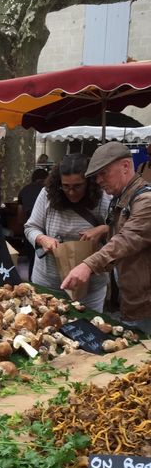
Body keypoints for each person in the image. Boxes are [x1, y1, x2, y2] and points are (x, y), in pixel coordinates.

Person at [61, 141, 151, 333]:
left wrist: (88, 265)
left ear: (126, 166)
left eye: (104, 173)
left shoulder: (146, 201)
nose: (99, 180)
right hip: (130, 300)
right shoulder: (120, 199)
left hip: (145, 305)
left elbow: (126, 240)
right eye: (96, 175)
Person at [25, 153, 110, 311]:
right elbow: (30, 227)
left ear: (89, 183)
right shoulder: (47, 194)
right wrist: (42, 239)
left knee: (88, 329)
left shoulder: (103, 197)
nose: (71, 192)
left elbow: (121, 229)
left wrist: (104, 229)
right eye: (65, 186)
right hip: (49, 282)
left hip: (90, 287)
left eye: (77, 186)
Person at [18, 168, 49, 279]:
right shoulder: (48, 191)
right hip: (48, 234)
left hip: (32, 234)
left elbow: (20, 216)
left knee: (33, 261)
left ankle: (32, 284)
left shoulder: (24, 190)